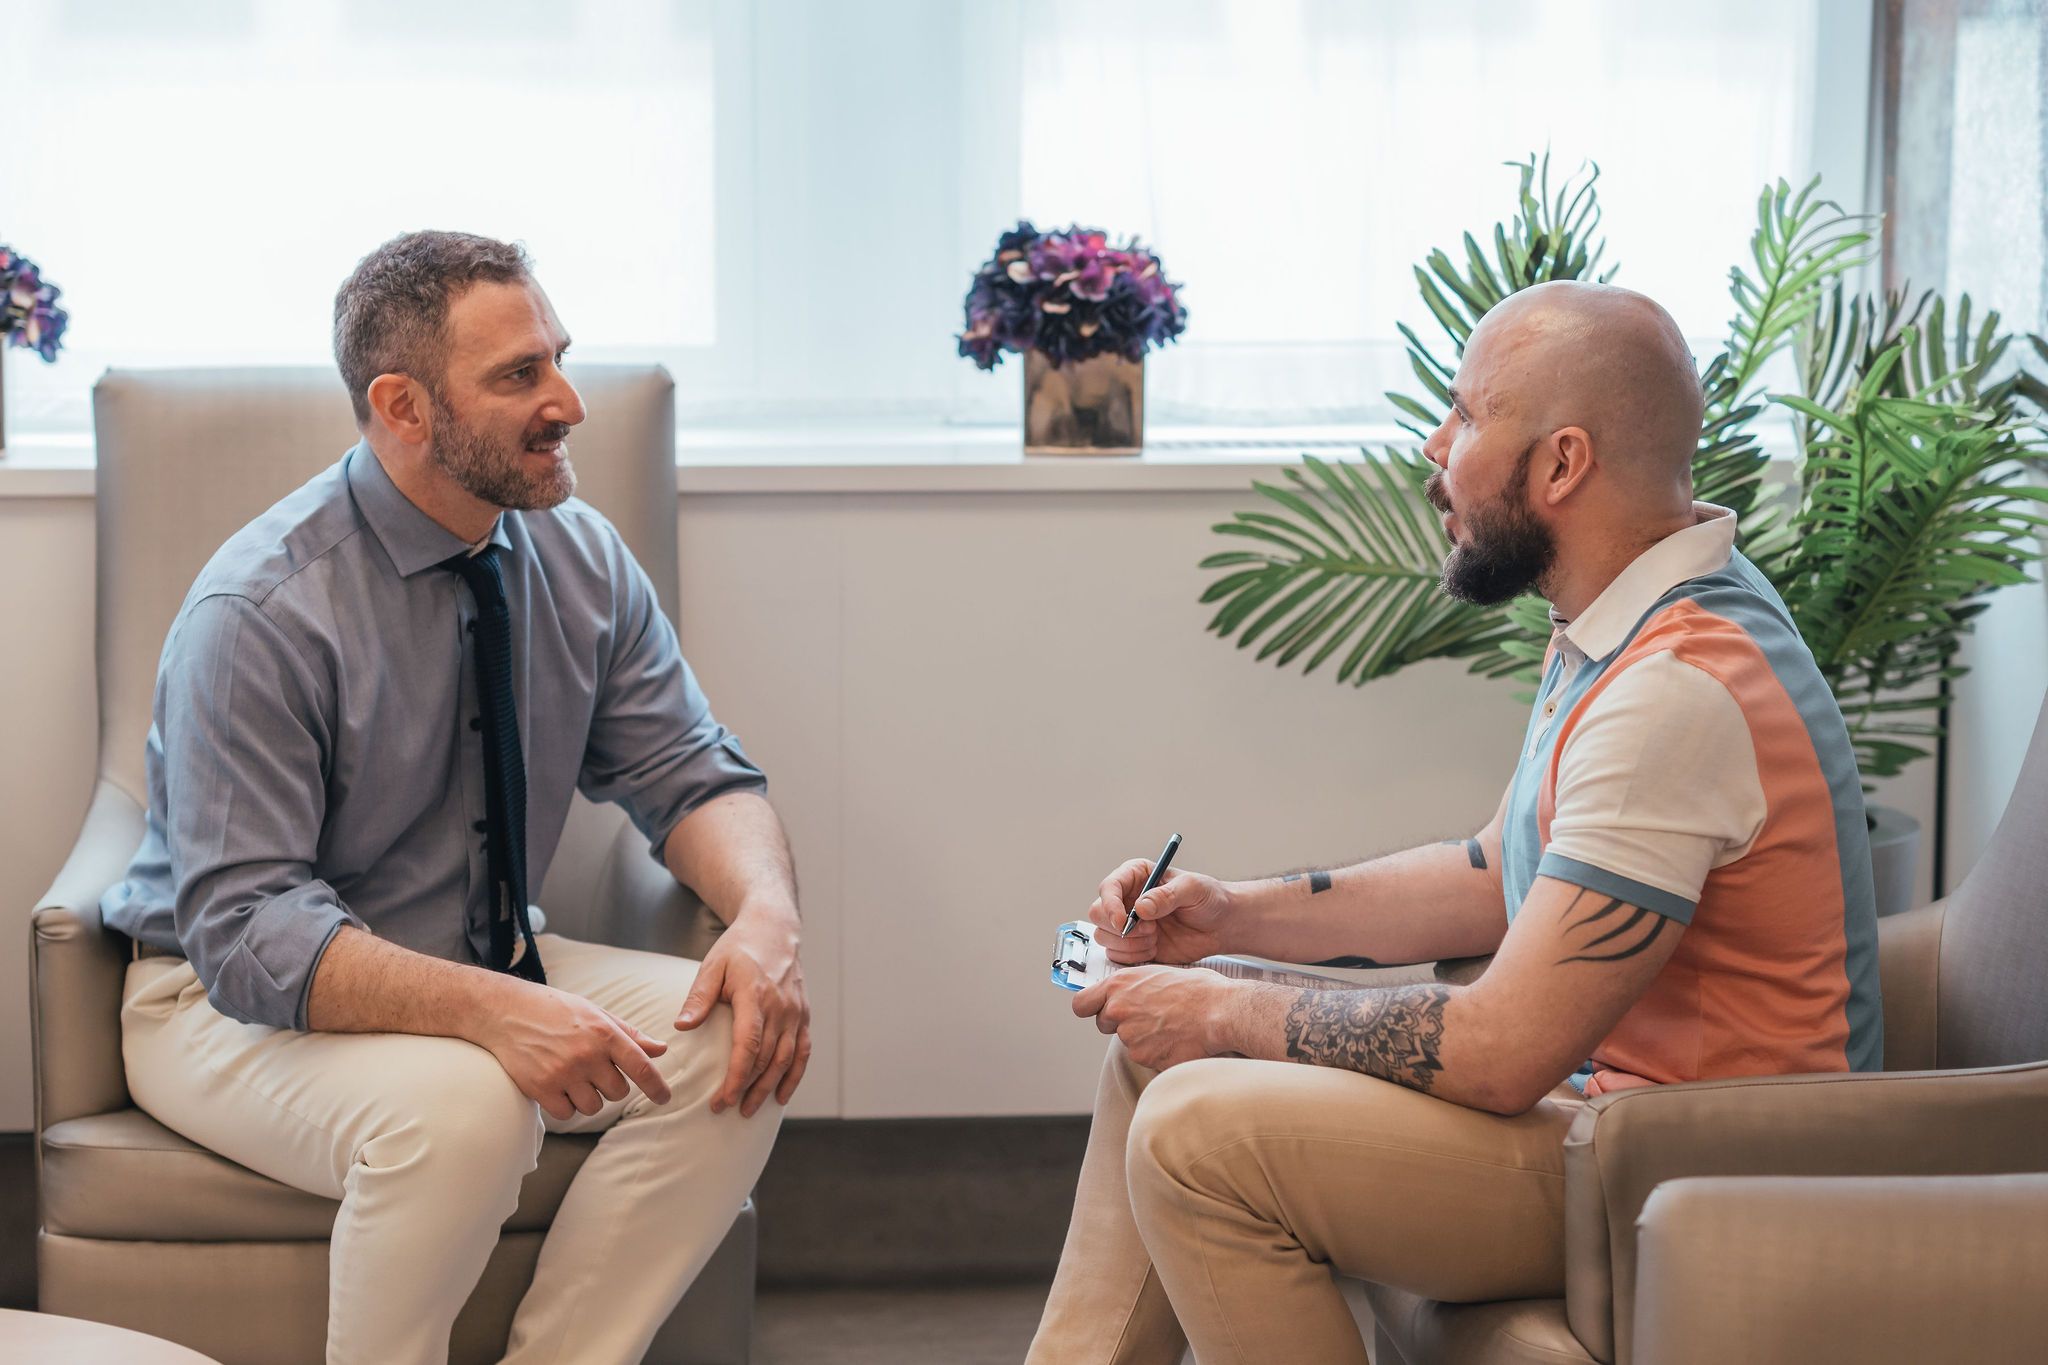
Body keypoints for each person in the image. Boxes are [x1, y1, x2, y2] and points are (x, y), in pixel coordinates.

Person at [1026, 280, 1883, 1365]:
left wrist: (1223, 1008)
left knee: (1199, 1137)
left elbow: (1496, 1053)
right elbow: (1492, 871)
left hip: (1684, 1171)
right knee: (1157, 1064)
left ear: (1560, 464)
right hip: (1603, 1125)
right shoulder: (1621, 619)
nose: (1436, 446)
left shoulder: (1675, 689)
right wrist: (1227, 921)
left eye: (1467, 414)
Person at [100, 230, 809, 1365]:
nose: (567, 401)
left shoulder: (579, 558)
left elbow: (690, 772)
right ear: (404, 407)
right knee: (467, 1111)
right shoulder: (263, 609)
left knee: (739, 1033)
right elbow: (245, 929)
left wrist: (767, 922)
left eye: (559, 359)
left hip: (484, 951)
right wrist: (492, 1012)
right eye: (519, 376)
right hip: (222, 1004)